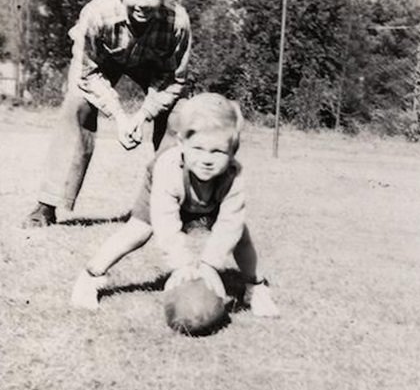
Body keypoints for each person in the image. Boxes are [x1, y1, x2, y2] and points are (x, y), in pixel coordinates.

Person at [24, 0, 192, 227]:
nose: (142, 3)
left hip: (153, 70)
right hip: (102, 65)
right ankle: (47, 205)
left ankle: (169, 203)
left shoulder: (178, 22)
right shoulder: (97, 13)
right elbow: (87, 74)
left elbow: (173, 80)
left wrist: (141, 116)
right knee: (76, 105)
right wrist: (120, 117)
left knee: (181, 114)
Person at [70, 93, 279, 317]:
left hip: (212, 197)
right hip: (167, 191)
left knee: (241, 236)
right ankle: (90, 276)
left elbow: (229, 225)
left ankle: (256, 287)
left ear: (232, 151)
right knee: (138, 230)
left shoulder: (232, 177)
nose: (207, 159)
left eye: (217, 151)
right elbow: (165, 222)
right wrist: (182, 264)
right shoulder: (168, 169)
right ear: (182, 144)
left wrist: (209, 265)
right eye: (198, 148)